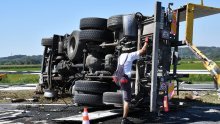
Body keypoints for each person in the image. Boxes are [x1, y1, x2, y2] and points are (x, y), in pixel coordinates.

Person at [117, 37, 149, 124]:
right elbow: (143, 51)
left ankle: (124, 114)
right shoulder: (130, 55)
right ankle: (124, 119)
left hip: (119, 78)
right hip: (125, 79)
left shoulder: (120, 56)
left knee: (125, 97)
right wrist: (146, 42)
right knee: (127, 100)